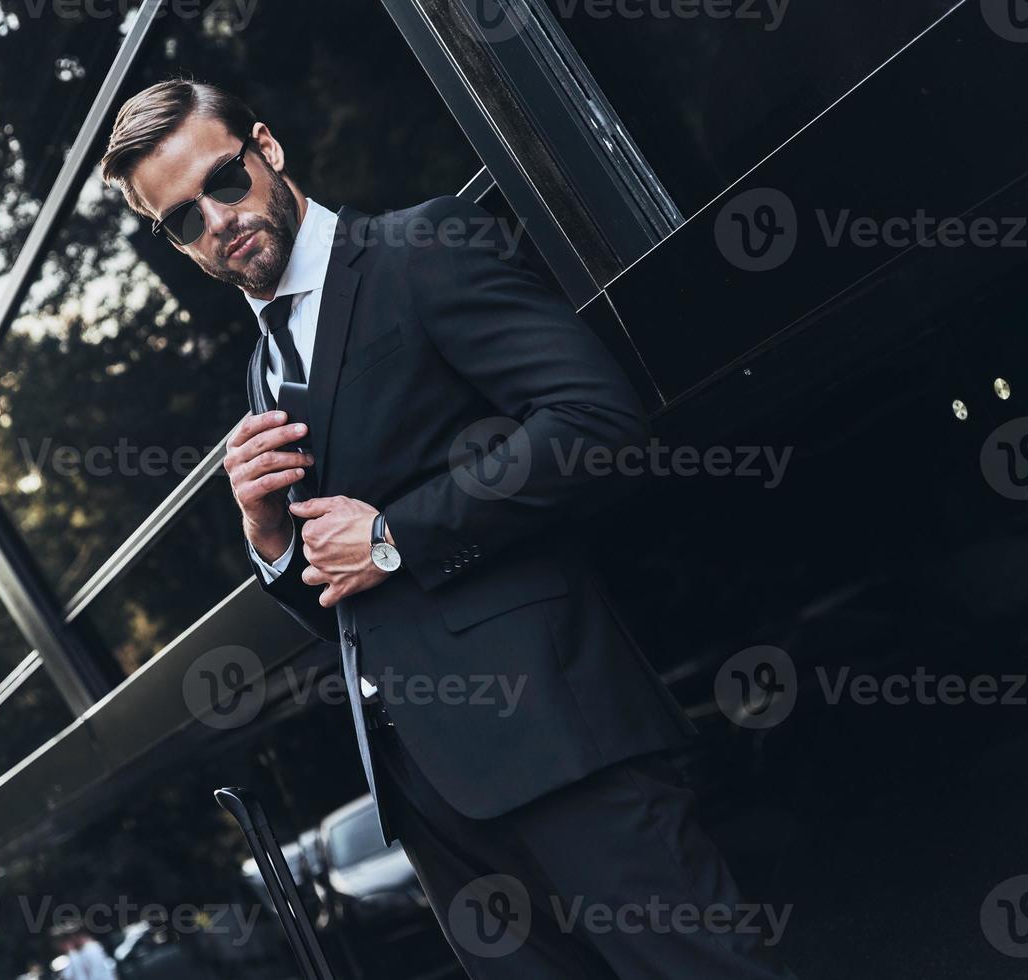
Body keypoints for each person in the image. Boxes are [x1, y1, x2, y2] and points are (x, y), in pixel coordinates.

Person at [99, 77, 797, 979]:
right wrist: (269, 539)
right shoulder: (262, 375)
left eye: (224, 181)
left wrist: (394, 534)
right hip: (430, 805)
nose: (218, 220)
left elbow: (597, 423)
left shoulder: (422, 247)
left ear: (266, 147)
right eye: (184, 220)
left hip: (562, 744)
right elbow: (352, 598)